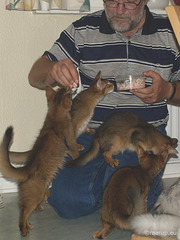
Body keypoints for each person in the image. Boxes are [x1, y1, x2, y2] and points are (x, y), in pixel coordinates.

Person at [28, 0, 180, 219]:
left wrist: (167, 91)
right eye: (112, 1)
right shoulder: (83, 29)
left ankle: (116, 187)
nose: (119, 9)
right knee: (67, 204)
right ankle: (109, 186)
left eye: (129, 3)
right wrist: (54, 69)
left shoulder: (170, 32)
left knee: (127, 202)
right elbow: (35, 76)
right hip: (92, 133)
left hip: (142, 136)